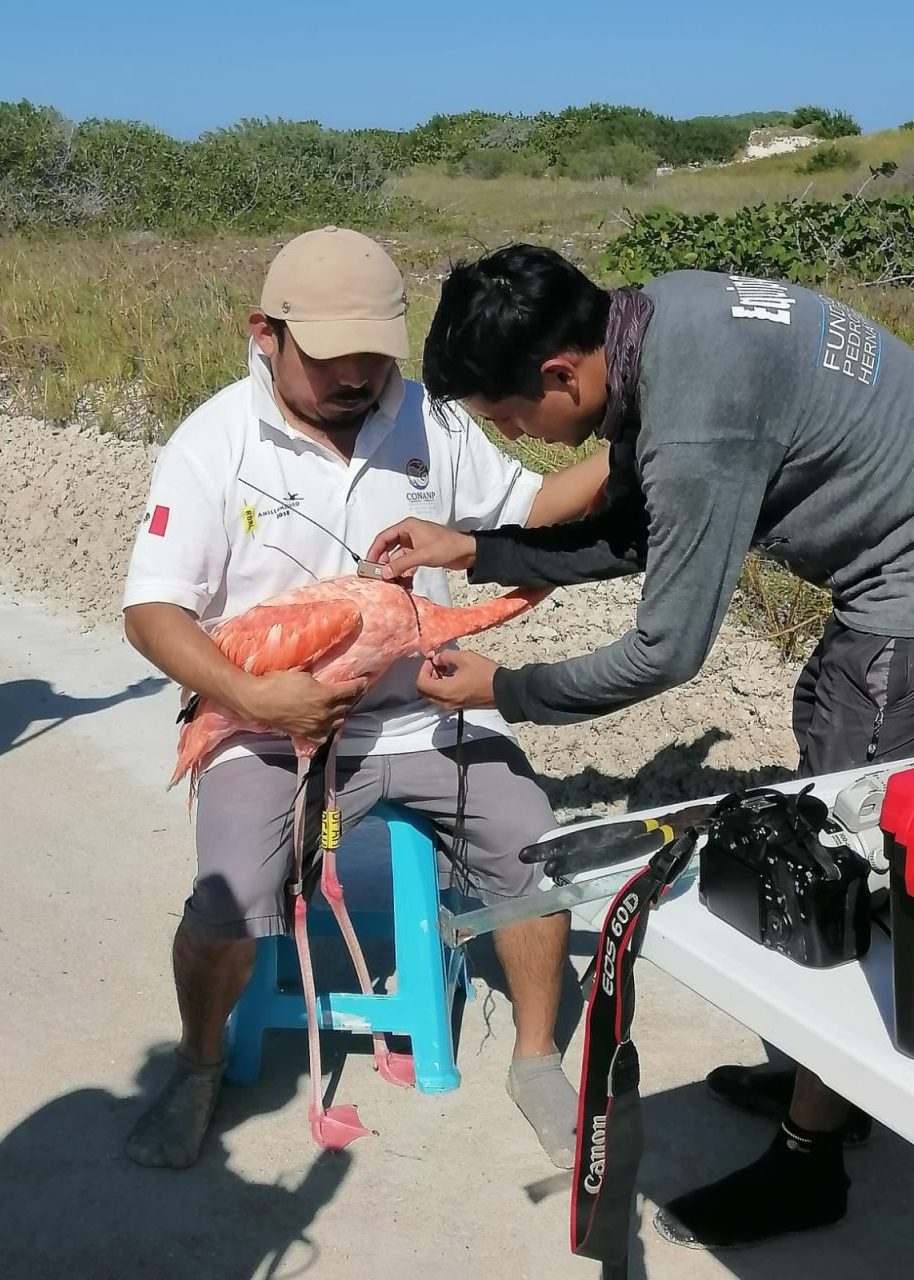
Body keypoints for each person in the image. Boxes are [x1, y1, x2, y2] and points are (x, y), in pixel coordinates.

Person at [366, 243, 914, 1250]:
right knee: (838, 824)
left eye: (512, 418)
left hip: (902, 596)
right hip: (879, 569)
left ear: (561, 374)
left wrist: (510, 690)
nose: (522, 442)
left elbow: (667, 650)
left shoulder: (698, 424)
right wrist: (477, 548)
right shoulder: (663, 315)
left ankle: (814, 1154)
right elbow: (643, 522)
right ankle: (816, 1073)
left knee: (848, 864)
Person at [120, 228, 611, 1171]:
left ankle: (539, 1060)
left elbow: (535, 510)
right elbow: (152, 612)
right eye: (335, 359)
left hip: (423, 710)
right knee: (230, 896)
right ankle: (197, 1063)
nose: (360, 379)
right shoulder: (213, 440)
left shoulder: (434, 419)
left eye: (375, 359)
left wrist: (640, 453)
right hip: (264, 721)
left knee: (533, 847)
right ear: (266, 332)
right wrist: (258, 694)